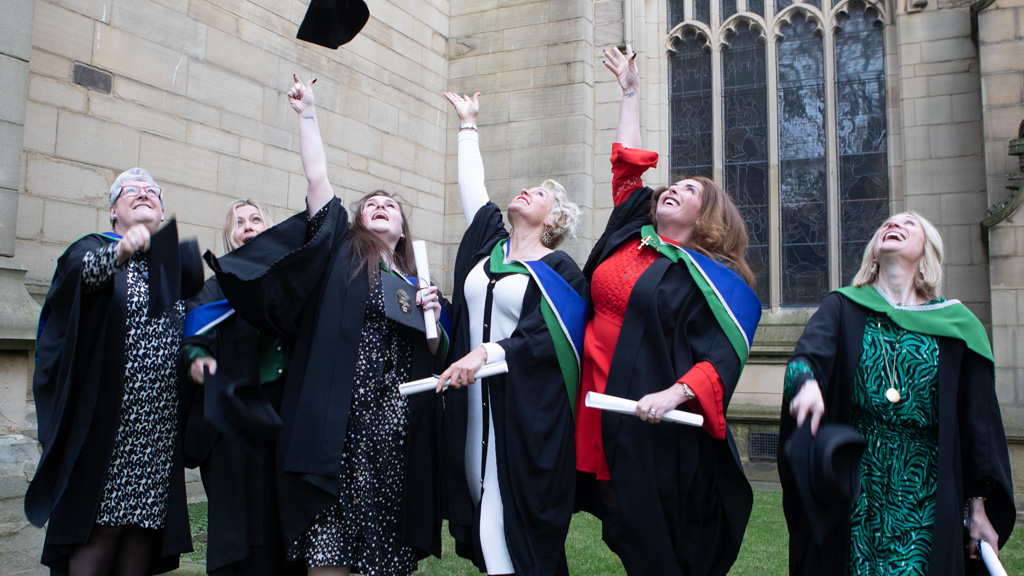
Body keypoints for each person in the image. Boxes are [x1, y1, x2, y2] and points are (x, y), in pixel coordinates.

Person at [204, 75, 447, 576]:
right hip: (334, 425)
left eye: (391, 205)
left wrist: (435, 317)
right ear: (357, 219)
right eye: (371, 204)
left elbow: (435, 355)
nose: (380, 206)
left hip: (391, 429)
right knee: (329, 548)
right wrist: (307, 113)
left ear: (402, 228)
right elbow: (318, 182)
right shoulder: (340, 251)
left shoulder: (416, 282)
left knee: (383, 552)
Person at [574, 45, 762, 576]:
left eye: (687, 190)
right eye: (671, 186)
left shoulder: (710, 279)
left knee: (655, 537)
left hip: (649, 411)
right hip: (596, 398)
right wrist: (630, 94)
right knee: (618, 522)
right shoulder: (633, 232)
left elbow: (720, 357)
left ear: (709, 218)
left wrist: (674, 393)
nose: (671, 190)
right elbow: (627, 169)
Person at [781, 211, 1015, 575]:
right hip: (857, 482)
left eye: (909, 224)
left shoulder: (956, 325)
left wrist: (978, 507)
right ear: (874, 253)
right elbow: (805, 359)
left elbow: (978, 428)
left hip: (927, 485)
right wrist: (807, 384)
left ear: (926, 253)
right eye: (887, 224)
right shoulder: (843, 307)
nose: (894, 225)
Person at [438, 92, 587, 575]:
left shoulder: (559, 268)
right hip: (474, 412)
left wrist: (485, 352)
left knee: (519, 532)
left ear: (554, 219)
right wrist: (467, 126)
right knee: (485, 521)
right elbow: (472, 192)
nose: (525, 192)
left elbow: (545, 338)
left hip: (525, 417)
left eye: (539, 194)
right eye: (525, 189)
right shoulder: (489, 249)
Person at [27, 168, 200, 575]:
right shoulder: (92, 250)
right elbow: (74, 285)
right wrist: (119, 253)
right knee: (99, 531)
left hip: (156, 432)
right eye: (131, 191)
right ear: (112, 212)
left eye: (152, 193)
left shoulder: (171, 268)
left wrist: (199, 358)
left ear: (162, 212)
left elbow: (193, 328)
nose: (143, 194)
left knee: (140, 533)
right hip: (106, 427)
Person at [180, 199, 304, 576]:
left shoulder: (292, 285)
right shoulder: (218, 288)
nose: (248, 226)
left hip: (288, 422)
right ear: (229, 237)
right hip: (236, 425)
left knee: (287, 521)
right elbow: (193, 341)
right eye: (239, 222)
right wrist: (200, 364)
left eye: (255, 219)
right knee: (241, 531)